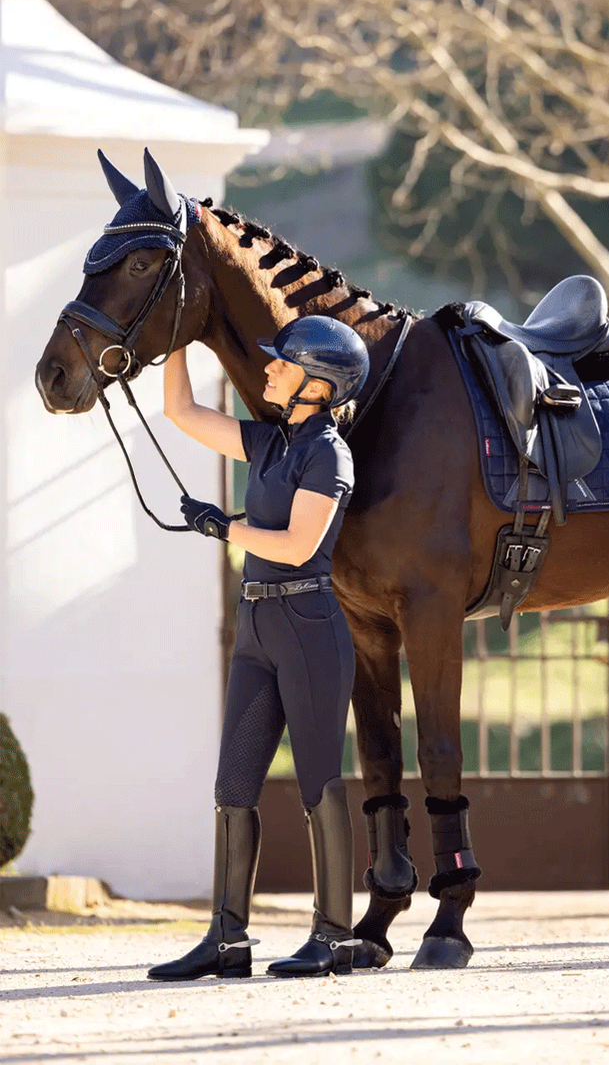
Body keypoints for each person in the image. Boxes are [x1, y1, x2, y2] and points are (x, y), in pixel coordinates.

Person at [147, 315, 369, 982]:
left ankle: (332, 935)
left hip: (307, 625)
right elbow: (179, 409)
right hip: (256, 630)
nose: (267, 370)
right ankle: (227, 938)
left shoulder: (328, 454)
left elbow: (299, 545)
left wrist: (226, 527)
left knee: (317, 782)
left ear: (318, 384)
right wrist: (174, 339)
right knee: (233, 784)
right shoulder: (269, 442)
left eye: (281, 363)